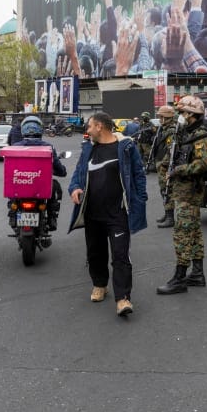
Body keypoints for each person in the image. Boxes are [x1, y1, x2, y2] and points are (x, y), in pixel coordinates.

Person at [68, 112, 147, 317]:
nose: (87, 130)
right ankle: (100, 285)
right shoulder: (88, 149)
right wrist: (75, 188)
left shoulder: (126, 147)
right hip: (93, 213)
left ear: (100, 127)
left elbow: (138, 174)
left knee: (120, 255)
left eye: (89, 126)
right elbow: (78, 173)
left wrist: (140, 199)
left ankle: (122, 298)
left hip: (118, 213)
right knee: (95, 253)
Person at [156, 95, 207, 295]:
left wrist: (180, 170)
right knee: (194, 233)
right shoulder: (186, 133)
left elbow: (205, 163)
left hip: (189, 193)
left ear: (191, 114)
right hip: (182, 191)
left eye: (182, 112)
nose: (180, 116)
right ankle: (197, 274)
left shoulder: (201, 135)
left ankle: (179, 278)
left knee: (182, 234)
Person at [12, 115, 67, 231]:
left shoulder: (15, 147)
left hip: (20, 185)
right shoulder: (48, 147)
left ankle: (12, 214)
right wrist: (62, 171)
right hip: (42, 186)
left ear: (23, 130)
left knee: (12, 196)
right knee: (54, 190)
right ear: (40, 129)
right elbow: (57, 165)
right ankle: (52, 217)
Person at [153, 104, 177, 228]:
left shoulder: (172, 130)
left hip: (165, 165)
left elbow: (171, 151)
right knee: (163, 190)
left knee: (167, 191)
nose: (160, 119)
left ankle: (170, 217)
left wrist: (164, 164)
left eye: (161, 117)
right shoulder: (163, 128)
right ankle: (167, 213)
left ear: (167, 117)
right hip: (161, 162)